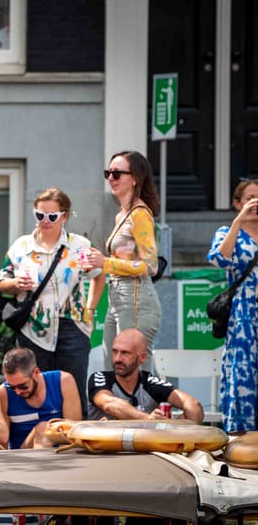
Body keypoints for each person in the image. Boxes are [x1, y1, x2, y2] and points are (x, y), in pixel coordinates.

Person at [0, 187, 101, 415]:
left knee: (73, 389)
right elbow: (2, 281)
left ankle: (75, 441)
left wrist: (90, 311)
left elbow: (98, 277)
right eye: (39, 215)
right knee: (35, 389)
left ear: (64, 216)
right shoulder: (21, 246)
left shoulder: (79, 245)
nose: (45, 221)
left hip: (72, 326)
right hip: (33, 328)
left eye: (52, 216)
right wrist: (16, 284)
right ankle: (37, 439)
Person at [83, 151, 162, 371]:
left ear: (135, 178)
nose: (111, 178)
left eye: (117, 173)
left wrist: (105, 263)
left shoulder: (139, 214)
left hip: (135, 300)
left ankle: (144, 407)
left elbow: (150, 265)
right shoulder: (123, 214)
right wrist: (97, 262)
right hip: (118, 297)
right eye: (108, 173)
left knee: (132, 372)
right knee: (111, 368)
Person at [208, 178, 258, 433]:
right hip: (244, 315)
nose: (255, 203)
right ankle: (240, 437)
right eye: (250, 198)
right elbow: (218, 259)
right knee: (243, 373)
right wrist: (239, 221)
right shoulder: (227, 233)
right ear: (237, 203)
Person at [88, 329, 203, 423]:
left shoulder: (150, 382)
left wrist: (173, 432)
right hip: (106, 449)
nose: (117, 358)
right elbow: (110, 404)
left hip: (144, 448)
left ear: (142, 358)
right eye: (114, 351)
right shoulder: (99, 377)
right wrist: (148, 419)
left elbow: (194, 406)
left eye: (125, 353)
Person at [0, 347, 82, 449]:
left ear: (36, 373)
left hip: (61, 451)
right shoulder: (3, 393)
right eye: (11, 387)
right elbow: (2, 441)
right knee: (43, 428)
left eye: (23, 386)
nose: (17, 392)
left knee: (43, 428)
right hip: (22, 453)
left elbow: (72, 433)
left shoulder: (64, 381)